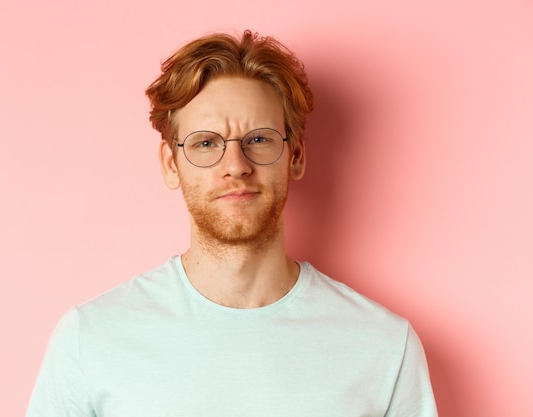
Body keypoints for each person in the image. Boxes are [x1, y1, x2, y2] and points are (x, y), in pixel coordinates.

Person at [26, 30, 438, 417]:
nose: (236, 166)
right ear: (172, 165)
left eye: (258, 139)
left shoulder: (382, 346)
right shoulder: (92, 338)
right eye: (206, 143)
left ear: (294, 156)